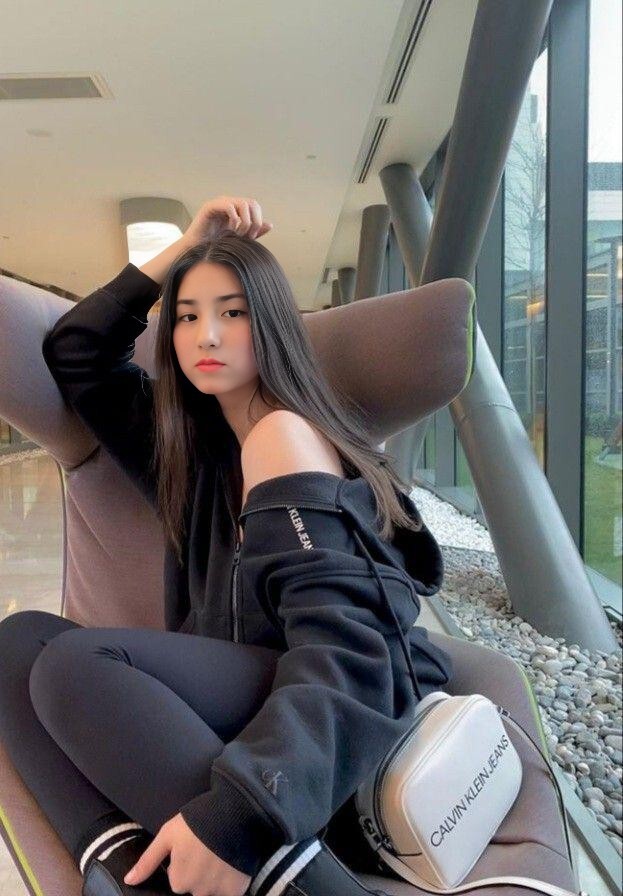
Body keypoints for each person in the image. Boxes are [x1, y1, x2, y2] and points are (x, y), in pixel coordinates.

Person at [0, 196, 453, 896]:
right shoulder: (196, 455)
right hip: (233, 717)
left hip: (311, 743)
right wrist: (187, 245)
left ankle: (303, 882)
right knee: (19, 641)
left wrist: (243, 815)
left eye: (231, 312)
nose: (205, 335)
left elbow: (352, 654)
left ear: (269, 324)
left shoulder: (285, 439)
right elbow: (77, 349)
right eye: (186, 316)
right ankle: (129, 875)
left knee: (75, 664)